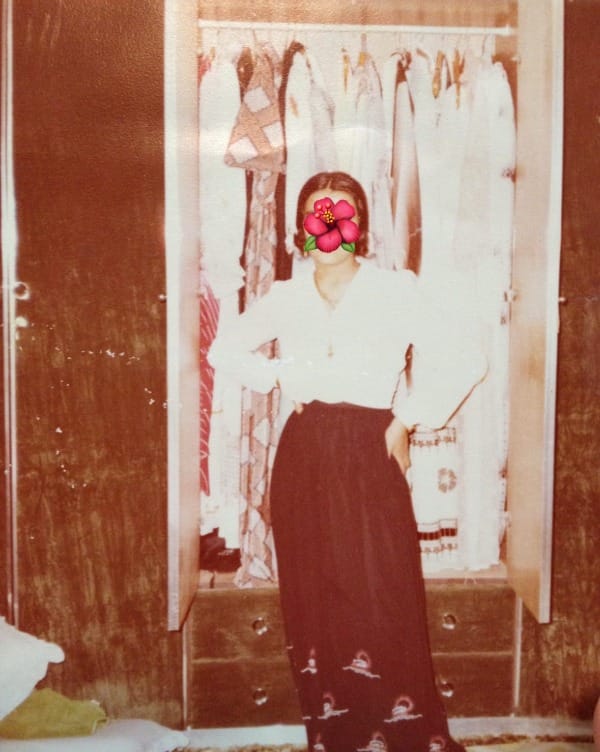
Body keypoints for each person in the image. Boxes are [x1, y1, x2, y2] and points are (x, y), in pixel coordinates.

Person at [208, 171, 486, 752]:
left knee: (383, 595)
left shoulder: (395, 290)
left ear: (360, 226)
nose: (329, 223)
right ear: (300, 229)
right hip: (305, 451)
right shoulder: (285, 297)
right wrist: (281, 376)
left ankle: (408, 739)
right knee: (315, 600)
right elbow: (224, 349)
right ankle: (334, 738)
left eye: (341, 211)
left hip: (369, 445)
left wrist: (407, 420)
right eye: (318, 212)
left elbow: (467, 354)